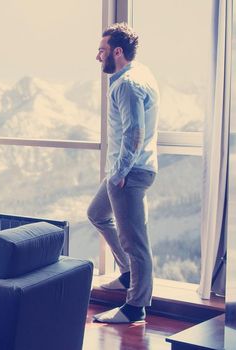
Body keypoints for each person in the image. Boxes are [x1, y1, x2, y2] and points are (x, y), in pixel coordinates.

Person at [88, 23, 159, 324]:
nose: (97, 56)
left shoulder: (128, 84)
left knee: (135, 240)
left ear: (117, 51)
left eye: (102, 51)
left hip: (128, 173)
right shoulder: (137, 75)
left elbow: (134, 133)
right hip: (126, 171)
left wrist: (119, 174)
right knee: (97, 213)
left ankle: (135, 307)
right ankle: (127, 271)